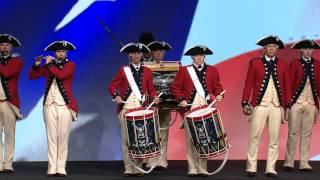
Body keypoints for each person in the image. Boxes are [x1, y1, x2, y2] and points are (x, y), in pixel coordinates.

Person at [171, 45, 224, 177]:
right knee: (191, 140)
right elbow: (175, 88)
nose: (199, 58)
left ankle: (202, 168)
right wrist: (181, 99)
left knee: (204, 139)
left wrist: (219, 94)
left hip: (205, 108)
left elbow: (217, 86)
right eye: (197, 56)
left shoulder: (212, 70)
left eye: (202, 55)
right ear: (192, 57)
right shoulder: (184, 71)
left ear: (205, 57)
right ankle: (192, 168)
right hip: (190, 108)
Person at [108, 42, 159, 177]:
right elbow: (112, 86)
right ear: (129, 55)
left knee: (140, 140)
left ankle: (138, 168)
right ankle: (129, 168)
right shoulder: (123, 70)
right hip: (126, 109)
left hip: (140, 110)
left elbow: (151, 90)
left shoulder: (148, 71)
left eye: (138, 53)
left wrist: (155, 97)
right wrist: (117, 96)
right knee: (127, 140)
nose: (136, 56)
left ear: (141, 55)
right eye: (134, 53)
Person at [241, 35, 289, 177]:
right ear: (264, 48)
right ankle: (251, 167)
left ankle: (271, 168)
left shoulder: (283, 64)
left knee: (274, 139)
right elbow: (248, 83)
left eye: (274, 47)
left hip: (276, 106)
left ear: (277, 49)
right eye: (269, 46)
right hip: (260, 105)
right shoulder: (255, 63)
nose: (272, 49)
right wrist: (245, 101)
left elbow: (286, 86)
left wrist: (286, 106)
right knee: (254, 137)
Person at [29, 40, 78, 177]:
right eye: (58, 51)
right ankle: (52, 167)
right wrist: (37, 65)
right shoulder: (49, 66)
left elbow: (61, 75)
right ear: (54, 53)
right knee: (51, 137)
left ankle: (61, 167)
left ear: (66, 53)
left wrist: (49, 64)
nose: (60, 53)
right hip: (49, 104)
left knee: (62, 137)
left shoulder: (70, 65)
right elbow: (32, 76)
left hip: (65, 105)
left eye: (63, 51)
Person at [284, 39, 320, 172]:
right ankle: (289, 162)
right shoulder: (294, 64)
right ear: (301, 50)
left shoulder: (318, 64)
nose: (308, 51)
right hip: (296, 103)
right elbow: (288, 84)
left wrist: (317, 104)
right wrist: (287, 104)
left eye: (310, 49)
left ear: (313, 50)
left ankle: (304, 163)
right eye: (305, 49)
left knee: (307, 134)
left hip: (311, 103)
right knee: (293, 133)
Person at [145, 41, 172, 170]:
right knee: (150, 133)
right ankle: (150, 161)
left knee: (164, 132)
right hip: (150, 105)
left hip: (166, 104)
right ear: (151, 53)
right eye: (156, 51)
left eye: (161, 51)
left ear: (164, 53)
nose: (158, 54)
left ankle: (162, 161)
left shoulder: (171, 68)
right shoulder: (145, 67)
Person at [0, 34, 23, 173]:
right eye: (2, 45)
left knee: (9, 134)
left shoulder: (17, 61)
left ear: (11, 47)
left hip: (9, 102)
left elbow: (7, 73)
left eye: (7, 45)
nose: (4, 47)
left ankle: (8, 163)